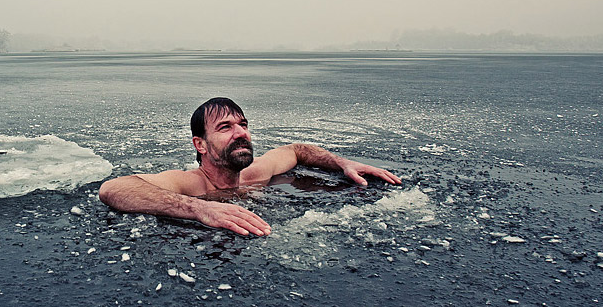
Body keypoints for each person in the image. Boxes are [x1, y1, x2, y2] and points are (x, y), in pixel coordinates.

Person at [98, 97, 402, 236]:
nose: (241, 132)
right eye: (226, 127)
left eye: (243, 125)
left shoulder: (256, 173)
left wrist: (343, 163)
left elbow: (296, 150)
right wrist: (198, 208)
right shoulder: (191, 184)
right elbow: (113, 188)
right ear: (200, 145)